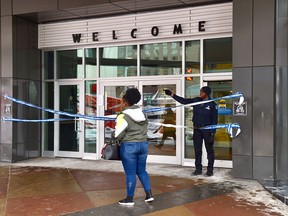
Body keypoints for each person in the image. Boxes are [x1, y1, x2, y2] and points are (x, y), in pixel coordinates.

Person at [113, 88, 154, 206]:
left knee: (130, 173)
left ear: (125, 103)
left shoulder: (123, 115)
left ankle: (129, 199)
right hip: (143, 145)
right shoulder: (142, 113)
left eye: (122, 101)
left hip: (129, 146)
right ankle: (149, 195)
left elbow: (118, 134)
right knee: (142, 170)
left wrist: (114, 136)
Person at [164, 86, 218, 177]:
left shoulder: (212, 104)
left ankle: (210, 170)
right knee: (197, 150)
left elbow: (214, 120)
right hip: (197, 130)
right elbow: (184, 101)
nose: (200, 93)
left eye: (202, 92)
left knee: (209, 151)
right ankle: (198, 169)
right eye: (200, 91)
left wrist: (212, 133)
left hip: (207, 130)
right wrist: (172, 95)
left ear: (207, 93)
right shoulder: (196, 100)